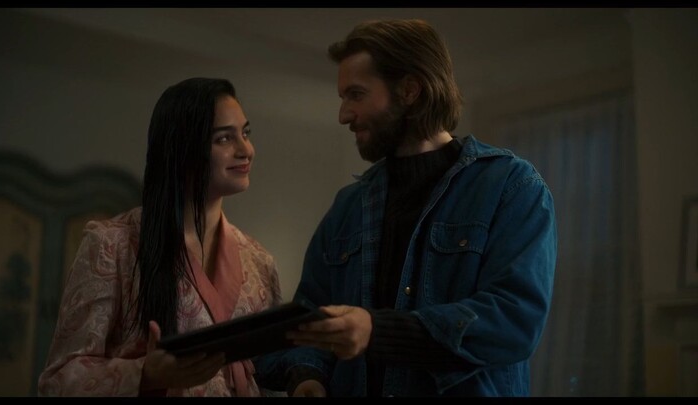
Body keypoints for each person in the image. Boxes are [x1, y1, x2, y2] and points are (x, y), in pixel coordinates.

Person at [253, 19, 557, 397]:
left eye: (356, 95)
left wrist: (376, 331)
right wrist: (308, 375)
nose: (344, 115)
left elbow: (515, 321)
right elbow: (312, 315)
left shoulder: (511, 187)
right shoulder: (348, 206)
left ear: (410, 91)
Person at [38, 78, 282, 397]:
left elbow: (272, 369)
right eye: (224, 138)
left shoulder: (259, 260)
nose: (246, 150)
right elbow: (58, 381)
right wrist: (146, 374)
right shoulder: (113, 245)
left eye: (245, 134)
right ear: (182, 147)